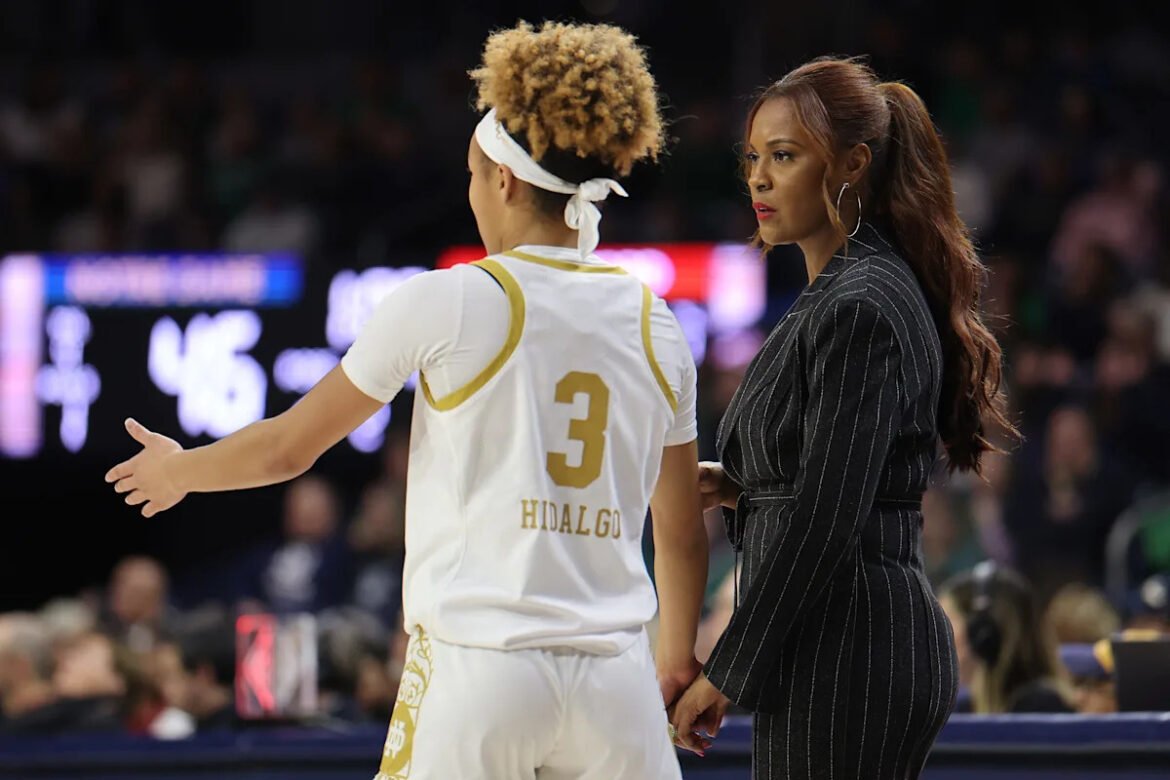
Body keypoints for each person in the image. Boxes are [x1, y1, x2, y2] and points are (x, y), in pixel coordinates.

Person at [105, 20, 708, 779]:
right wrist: (674, 663)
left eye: (472, 174)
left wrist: (180, 471)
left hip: (482, 668)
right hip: (616, 682)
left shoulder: (451, 300)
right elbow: (680, 532)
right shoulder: (658, 322)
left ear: (504, 180)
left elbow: (289, 447)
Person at [670, 56, 1017, 779]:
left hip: (851, 649)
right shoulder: (851, 289)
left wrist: (727, 669)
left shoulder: (861, 302)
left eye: (784, 156)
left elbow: (830, 514)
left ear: (852, 164)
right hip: (845, 643)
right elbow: (839, 482)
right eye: (753, 158)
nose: (759, 179)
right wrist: (741, 489)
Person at [938, 563, 1073, 714]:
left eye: (945, 622)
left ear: (982, 634)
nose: (936, 636)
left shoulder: (1041, 706)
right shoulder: (965, 707)